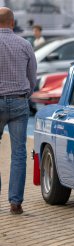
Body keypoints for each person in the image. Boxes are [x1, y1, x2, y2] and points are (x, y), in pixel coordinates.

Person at [0, 7, 37, 215]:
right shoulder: (25, 45)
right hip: (18, 103)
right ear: (12, 23)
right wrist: (25, 95)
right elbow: (32, 79)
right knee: (19, 154)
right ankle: (15, 202)